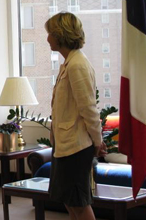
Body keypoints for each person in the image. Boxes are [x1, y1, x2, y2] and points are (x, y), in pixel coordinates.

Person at [45, 12, 107, 220]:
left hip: (76, 146)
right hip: (66, 145)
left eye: (50, 34)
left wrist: (98, 141)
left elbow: (88, 108)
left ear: (61, 34)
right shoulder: (70, 62)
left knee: (78, 203)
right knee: (69, 201)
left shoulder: (78, 64)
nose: (47, 39)